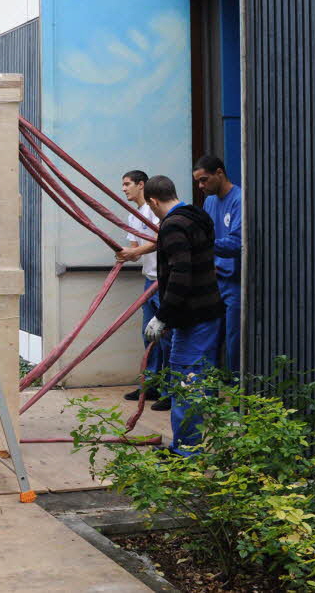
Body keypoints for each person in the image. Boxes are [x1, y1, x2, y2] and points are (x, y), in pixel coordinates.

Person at [141, 175, 224, 456]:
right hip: (207, 311)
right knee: (201, 379)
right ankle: (197, 445)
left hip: (194, 317)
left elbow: (180, 272)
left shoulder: (173, 225)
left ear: (153, 201)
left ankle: (187, 453)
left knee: (186, 381)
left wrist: (163, 315)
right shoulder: (198, 216)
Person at [114, 170, 170, 412]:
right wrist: (125, 253)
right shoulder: (133, 214)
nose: (124, 189)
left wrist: (134, 252)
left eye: (127, 184)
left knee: (167, 336)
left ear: (141, 185)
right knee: (149, 336)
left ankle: (170, 390)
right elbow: (136, 248)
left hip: (164, 281)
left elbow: (160, 240)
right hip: (149, 280)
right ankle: (151, 385)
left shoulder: (153, 209)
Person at [192, 155, 242, 374]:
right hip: (214, 280)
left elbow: (238, 243)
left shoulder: (239, 199)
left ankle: (236, 390)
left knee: (235, 340)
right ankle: (209, 394)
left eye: (204, 180)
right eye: (198, 182)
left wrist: (201, 245)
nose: (201, 186)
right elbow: (206, 235)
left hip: (235, 282)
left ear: (219, 173)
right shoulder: (210, 201)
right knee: (209, 338)